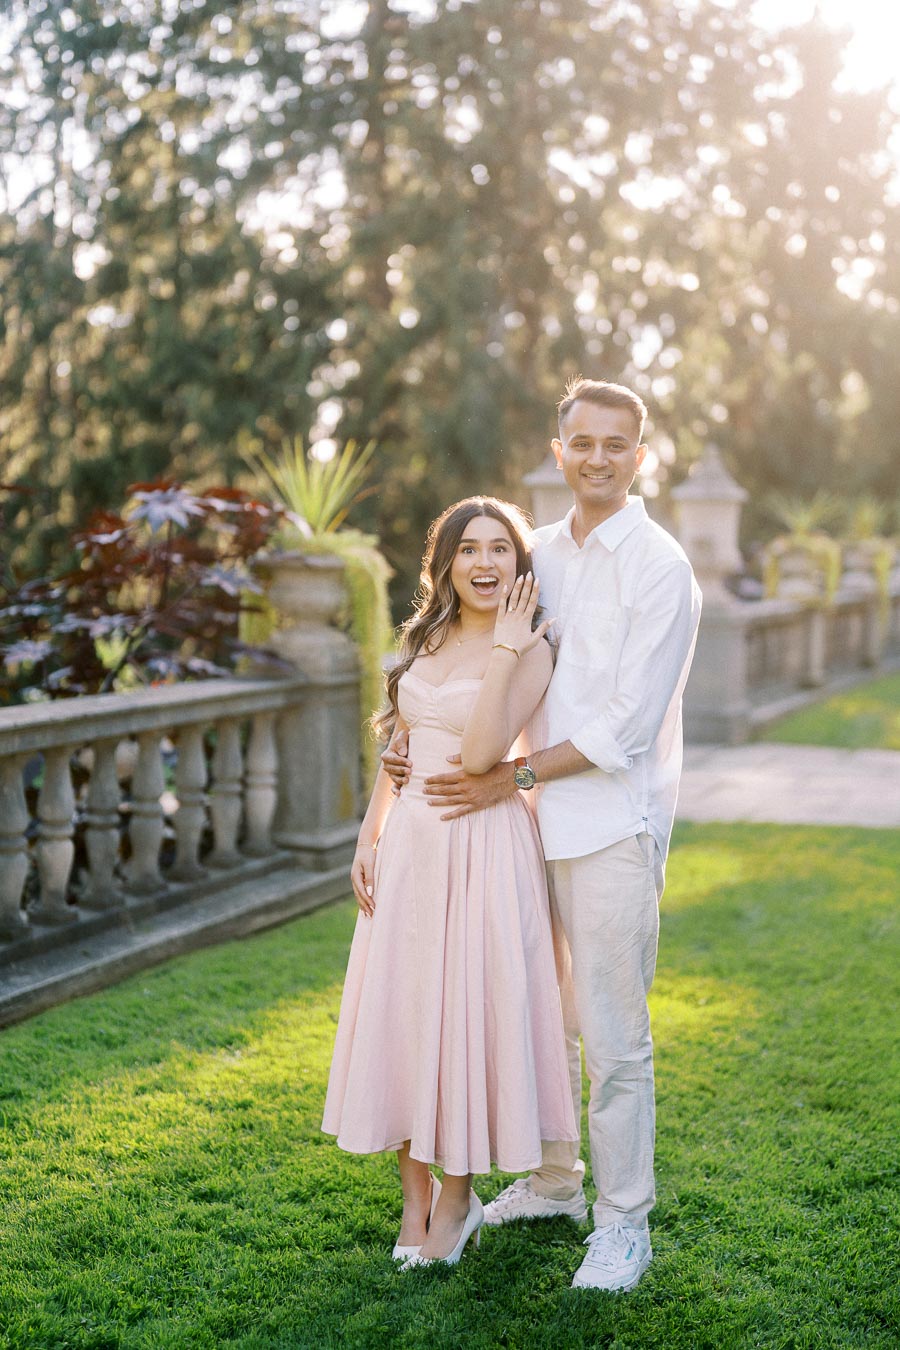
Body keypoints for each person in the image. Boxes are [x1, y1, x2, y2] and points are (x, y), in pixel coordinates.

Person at [383, 378, 702, 1291]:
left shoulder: (661, 566)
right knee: (538, 1019)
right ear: (558, 451)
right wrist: (413, 749)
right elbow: (476, 649)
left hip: (606, 828)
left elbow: (624, 732)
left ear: (640, 457)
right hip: (517, 834)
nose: (597, 456)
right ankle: (557, 1182)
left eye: (616, 443)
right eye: (582, 442)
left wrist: (505, 777)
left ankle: (622, 1224)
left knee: (611, 1036)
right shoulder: (540, 557)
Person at [321, 497, 578, 1269]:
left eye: (502, 549)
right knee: (404, 1009)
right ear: (448, 564)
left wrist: (503, 649)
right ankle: (415, 1195)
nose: (486, 564)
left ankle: (459, 1198)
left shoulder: (529, 648)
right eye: (470, 549)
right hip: (410, 851)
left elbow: (479, 756)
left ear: (519, 565)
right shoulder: (424, 636)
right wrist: (370, 836)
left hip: (483, 847)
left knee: (460, 1014)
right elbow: (400, 742)